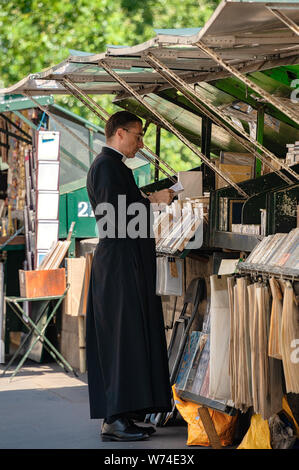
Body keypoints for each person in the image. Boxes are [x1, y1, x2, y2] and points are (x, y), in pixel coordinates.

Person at [86, 111, 174, 442]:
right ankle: (114, 419)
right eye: (137, 136)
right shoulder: (108, 167)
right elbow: (118, 219)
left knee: (130, 335)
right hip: (119, 265)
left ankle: (126, 413)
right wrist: (154, 201)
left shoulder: (113, 166)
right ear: (120, 133)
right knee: (121, 338)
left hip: (125, 263)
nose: (140, 143)